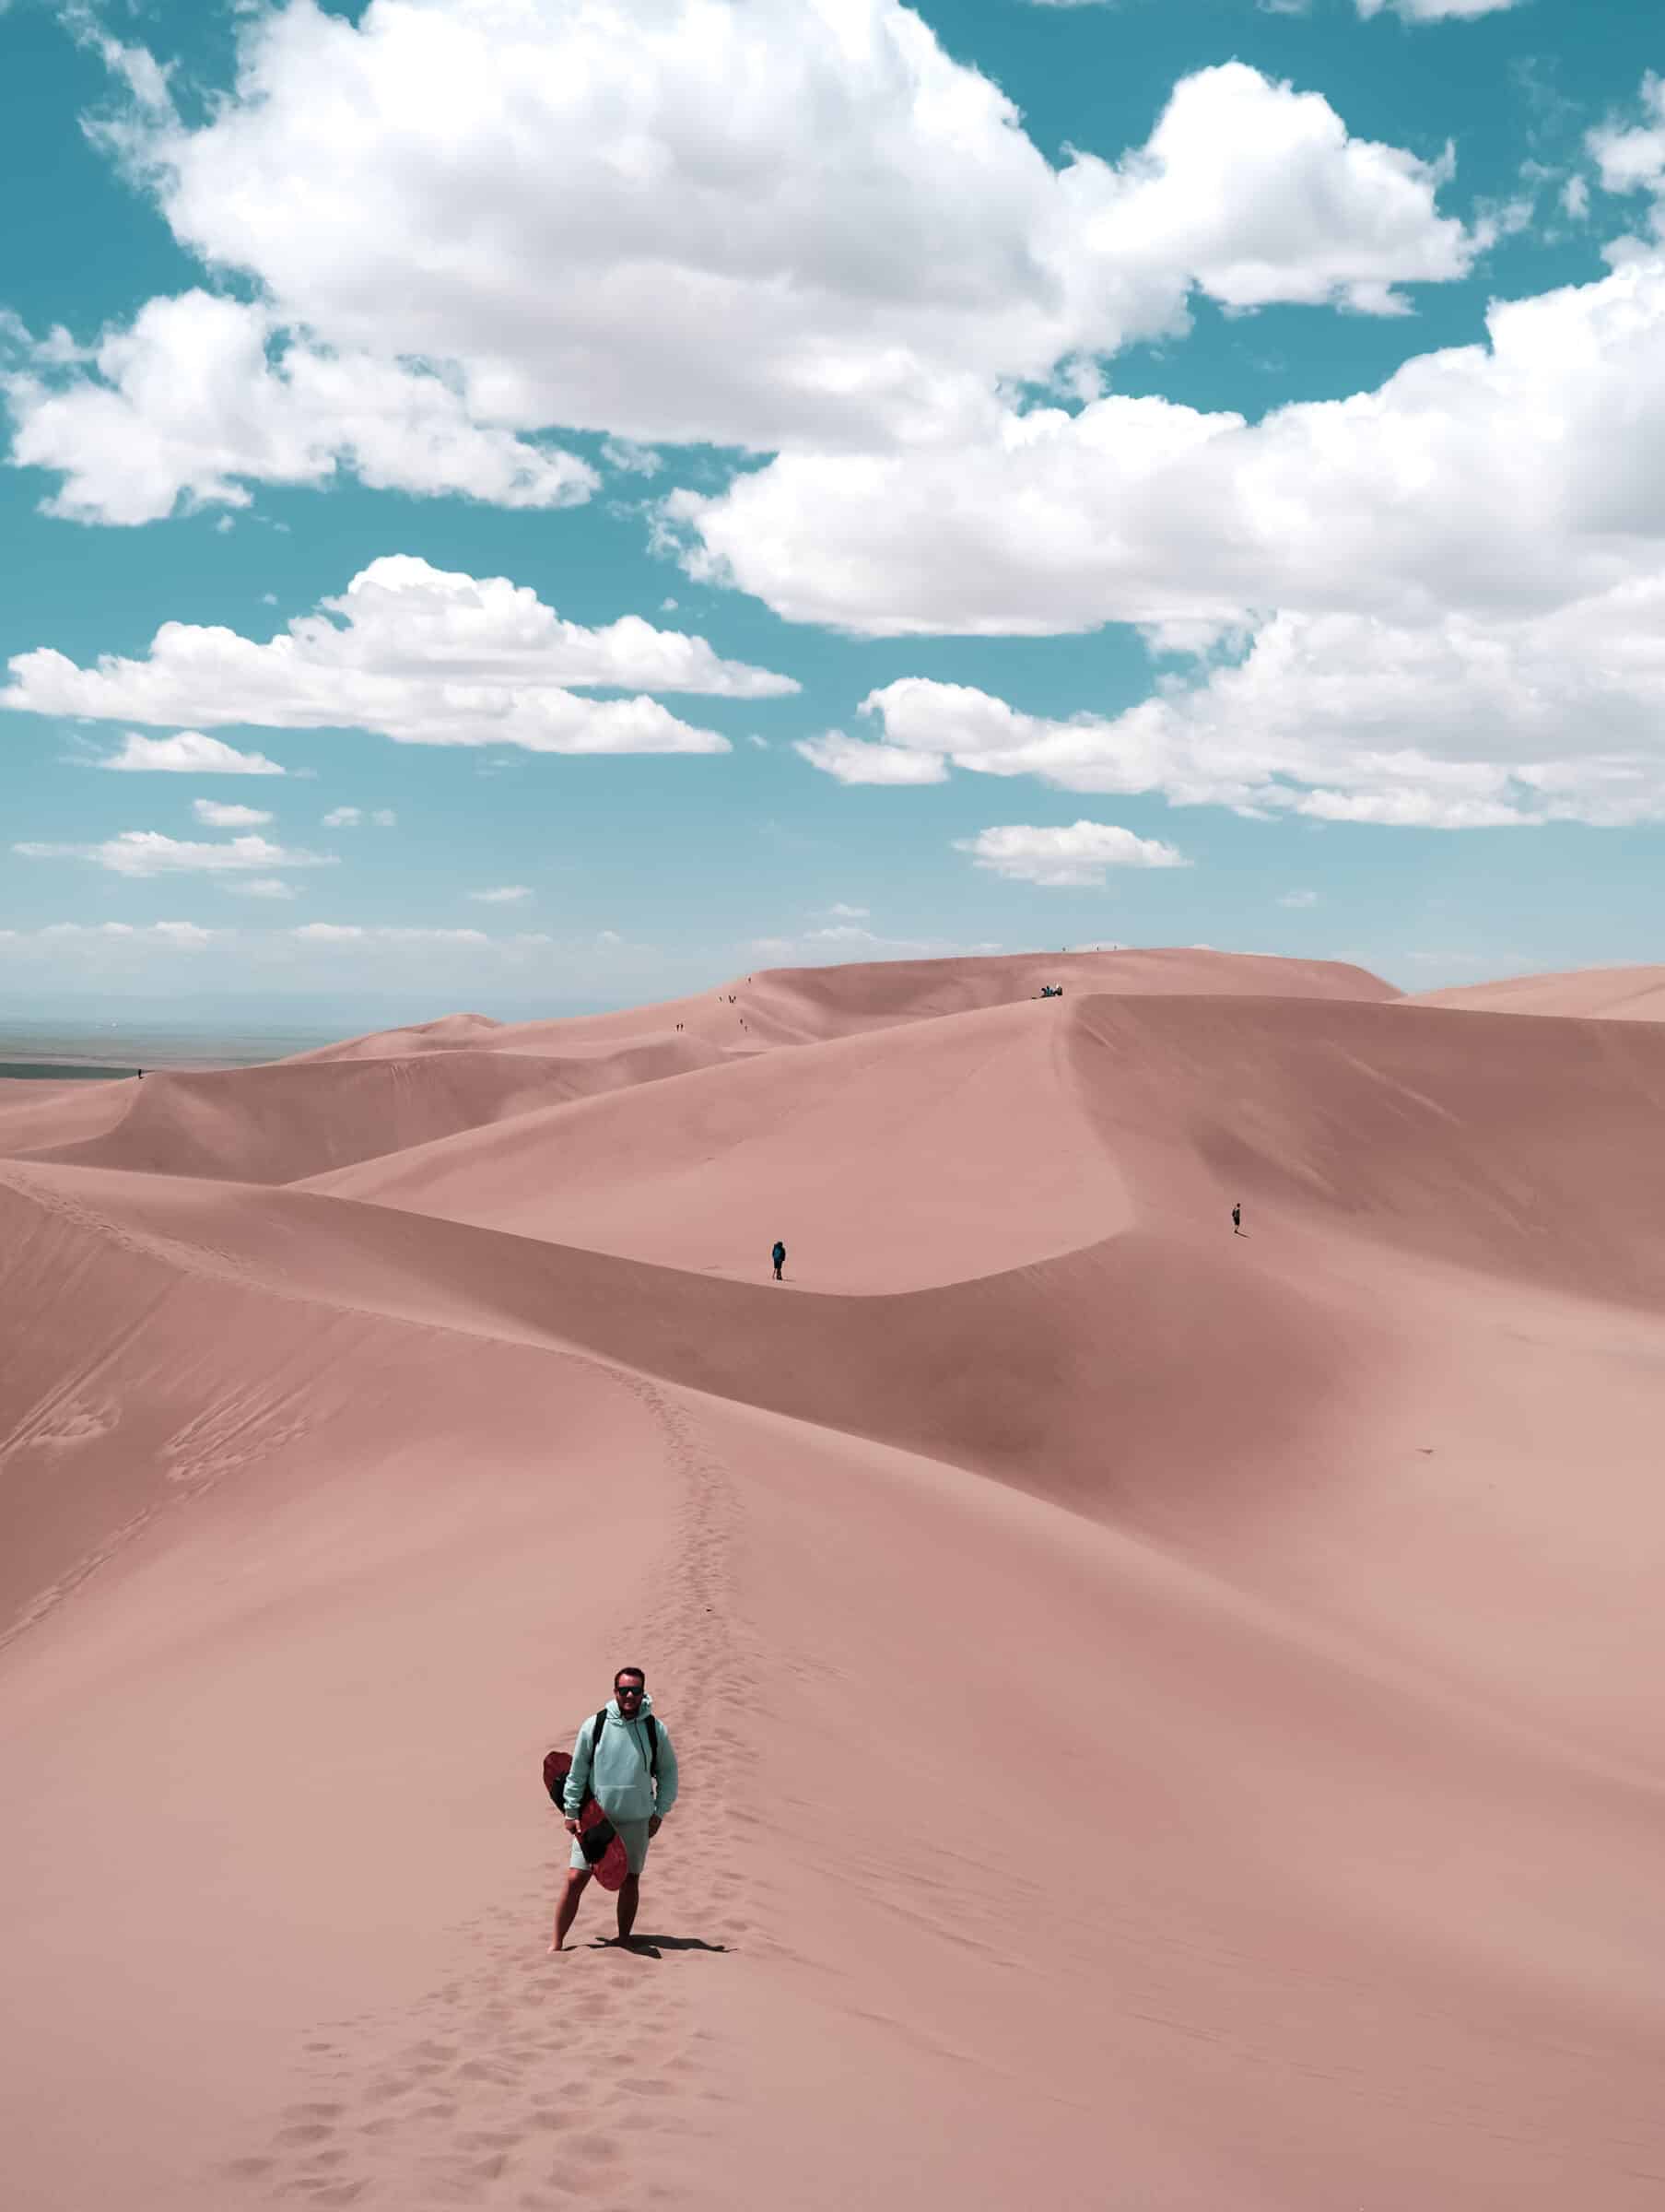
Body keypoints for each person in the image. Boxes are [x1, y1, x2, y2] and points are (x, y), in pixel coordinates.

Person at [551, 1667, 679, 1953]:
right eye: (624, 1690)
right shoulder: (595, 1725)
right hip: (597, 1819)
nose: (630, 1695)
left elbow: (669, 1774)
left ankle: (624, 1937)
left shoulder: (654, 1730)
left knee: (631, 1878)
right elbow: (578, 1772)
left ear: (643, 1692)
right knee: (575, 1879)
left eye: (635, 1690)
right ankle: (556, 1945)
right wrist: (571, 1811)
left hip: (636, 1820)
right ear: (615, 1692)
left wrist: (659, 1812)